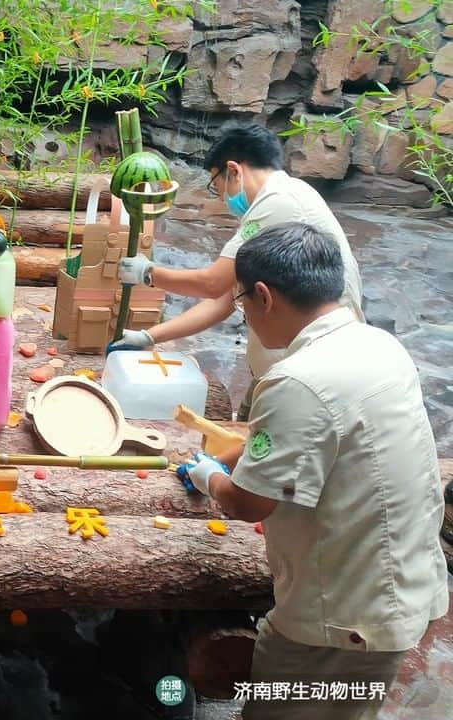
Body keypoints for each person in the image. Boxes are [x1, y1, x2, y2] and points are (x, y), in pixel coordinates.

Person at [175, 223, 447, 720]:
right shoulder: (377, 344)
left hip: (342, 617)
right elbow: (303, 435)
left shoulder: (296, 381)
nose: (245, 317)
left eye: (242, 303)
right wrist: (234, 455)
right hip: (403, 587)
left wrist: (208, 477)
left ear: (263, 296)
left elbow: (249, 503)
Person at [109, 123, 365, 420]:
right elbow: (226, 298)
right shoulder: (287, 194)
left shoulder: (279, 203)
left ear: (233, 170)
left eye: (216, 186)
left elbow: (213, 283)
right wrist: (149, 336)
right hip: (284, 364)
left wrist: (148, 273)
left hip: (309, 370)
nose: (221, 198)